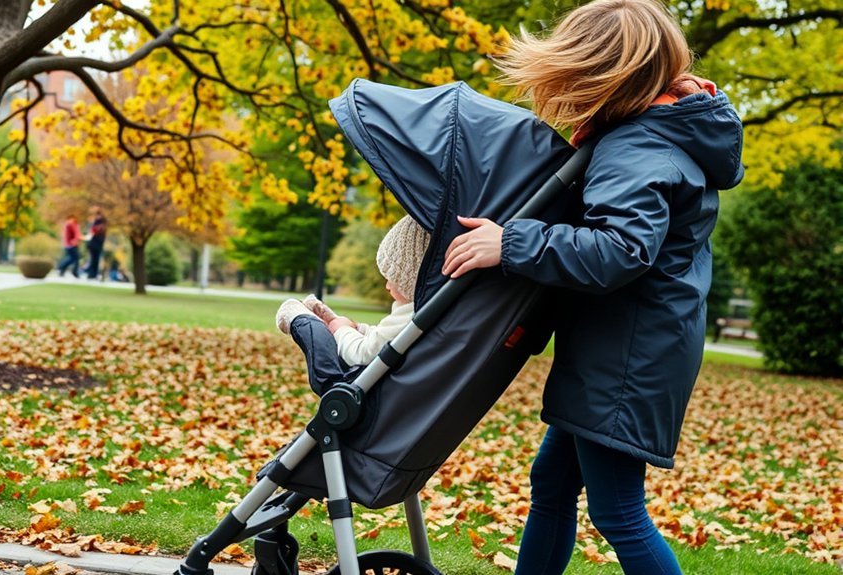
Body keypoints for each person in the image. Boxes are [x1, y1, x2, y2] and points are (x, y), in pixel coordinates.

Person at [440, 1, 744, 573]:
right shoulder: (665, 130)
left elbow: (619, 251)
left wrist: (511, 244)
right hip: (632, 348)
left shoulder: (635, 146)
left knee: (619, 512)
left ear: (606, 76)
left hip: (626, 361)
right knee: (552, 484)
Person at [275, 215, 430, 395]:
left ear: (408, 280)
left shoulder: (413, 314)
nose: (386, 285)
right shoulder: (420, 312)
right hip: (387, 383)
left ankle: (300, 318)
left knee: (323, 352)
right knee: (338, 327)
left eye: (391, 278)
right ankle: (327, 319)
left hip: (357, 387)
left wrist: (340, 330)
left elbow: (362, 353)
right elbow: (386, 340)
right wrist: (358, 329)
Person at [83, 206, 107, 280]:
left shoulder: (100, 223)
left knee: (95, 259)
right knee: (94, 259)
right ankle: (92, 274)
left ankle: (93, 274)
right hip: (95, 243)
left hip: (96, 243)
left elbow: (95, 231)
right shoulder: (97, 223)